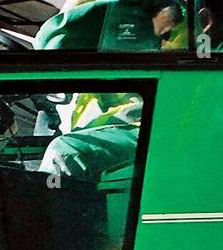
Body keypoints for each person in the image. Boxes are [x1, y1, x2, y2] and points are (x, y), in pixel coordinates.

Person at [34, 0, 183, 178]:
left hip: (146, 126)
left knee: (65, 155)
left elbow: (54, 40)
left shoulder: (165, 15)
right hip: (90, 120)